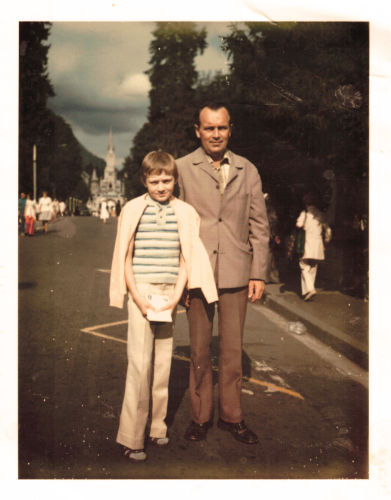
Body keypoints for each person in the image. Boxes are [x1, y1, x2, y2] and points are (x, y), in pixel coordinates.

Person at [110, 151, 217, 462]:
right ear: (144, 180)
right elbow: (125, 257)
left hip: (169, 294)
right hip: (141, 292)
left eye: (166, 180)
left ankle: (157, 426)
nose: (160, 186)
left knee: (163, 365)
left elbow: (188, 257)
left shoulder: (184, 212)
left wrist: (176, 295)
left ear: (175, 180)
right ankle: (131, 437)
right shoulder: (132, 209)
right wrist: (137, 296)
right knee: (140, 365)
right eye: (154, 181)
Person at [176, 102, 269, 444]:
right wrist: (180, 277)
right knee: (199, 350)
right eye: (209, 128)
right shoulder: (182, 168)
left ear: (231, 130)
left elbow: (260, 226)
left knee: (232, 351)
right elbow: (175, 226)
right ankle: (200, 418)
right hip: (197, 274)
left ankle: (232, 417)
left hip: (236, 272)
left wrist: (258, 273)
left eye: (222, 127)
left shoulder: (249, 170)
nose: (216, 134)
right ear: (197, 130)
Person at [296, 191, 332, 301]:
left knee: (304, 266)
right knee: (313, 268)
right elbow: (328, 231)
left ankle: (310, 289)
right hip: (318, 245)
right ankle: (307, 292)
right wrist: (326, 242)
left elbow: (299, 225)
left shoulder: (305, 213)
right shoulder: (322, 214)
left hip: (307, 244)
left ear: (305, 203)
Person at [264, 193, 281, 284]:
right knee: (271, 256)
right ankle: (273, 277)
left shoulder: (267, 208)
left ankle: (268, 277)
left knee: (269, 255)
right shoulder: (270, 208)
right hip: (269, 233)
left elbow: (272, 220)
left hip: (267, 233)